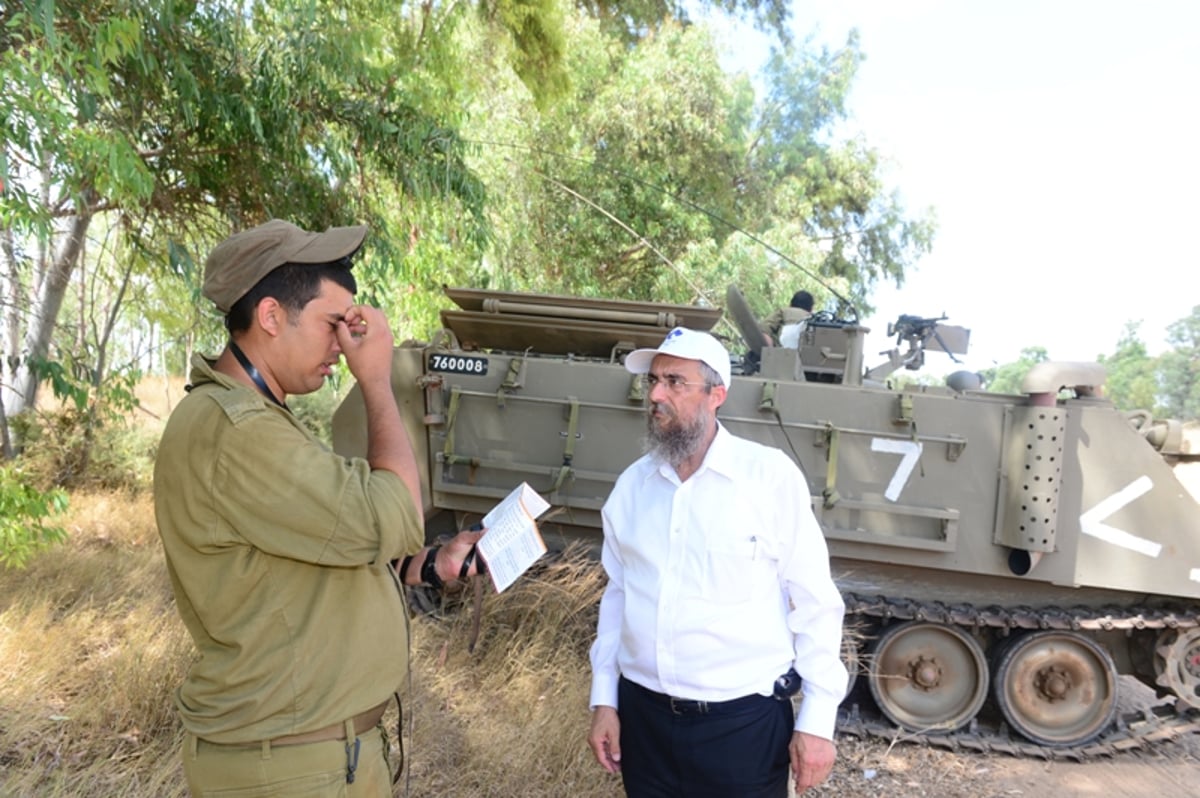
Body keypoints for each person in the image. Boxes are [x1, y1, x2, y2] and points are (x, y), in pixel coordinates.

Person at [153, 218, 483, 796]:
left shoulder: (254, 419)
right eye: (335, 324)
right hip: (292, 765)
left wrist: (425, 565)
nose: (345, 344)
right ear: (272, 317)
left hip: (309, 754)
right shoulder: (240, 432)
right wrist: (379, 381)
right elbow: (395, 509)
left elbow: (306, 551)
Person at [586, 327, 847, 797]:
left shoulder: (769, 479)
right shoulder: (632, 487)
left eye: (675, 382)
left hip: (741, 732)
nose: (657, 395)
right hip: (644, 724)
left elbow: (815, 603)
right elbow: (618, 596)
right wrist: (605, 699)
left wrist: (817, 722)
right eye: (653, 381)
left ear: (716, 395)